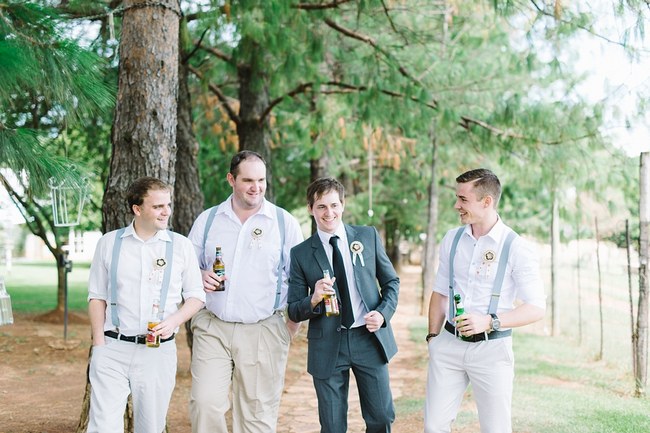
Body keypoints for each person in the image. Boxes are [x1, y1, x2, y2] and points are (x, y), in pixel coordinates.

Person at [187, 150, 304, 433]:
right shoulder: (208, 220)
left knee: (256, 416)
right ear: (231, 179)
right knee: (205, 404)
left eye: (261, 180)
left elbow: (299, 277)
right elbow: (185, 266)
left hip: (264, 328)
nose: (257, 187)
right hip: (213, 326)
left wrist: (291, 323)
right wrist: (198, 275)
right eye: (248, 180)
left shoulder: (283, 222)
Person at [424, 168, 546, 433]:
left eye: (463, 199)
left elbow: (536, 307)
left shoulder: (516, 247)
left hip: (492, 351)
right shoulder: (451, 239)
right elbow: (440, 292)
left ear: (486, 201)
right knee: (434, 427)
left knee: (496, 429)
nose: (457, 205)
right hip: (448, 347)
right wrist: (433, 338)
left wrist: (491, 321)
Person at [87, 177, 206, 433]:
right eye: (158, 206)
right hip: (113, 348)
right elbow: (97, 295)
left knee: (150, 427)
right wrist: (99, 344)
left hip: (157, 352)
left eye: (168, 205)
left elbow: (197, 296)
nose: (166, 212)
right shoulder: (109, 243)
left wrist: (173, 321)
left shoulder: (181, 246)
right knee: (102, 426)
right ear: (137, 209)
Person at [287, 177, 400, 433]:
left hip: (368, 338)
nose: (329, 213)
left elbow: (391, 282)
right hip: (327, 344)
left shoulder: (366, 236)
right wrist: (313, 299)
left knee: (381, 416)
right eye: (322, 207)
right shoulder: (301, 253)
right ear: (310, 209)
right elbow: (293, 308)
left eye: (334, 205)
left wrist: (382, 315)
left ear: (343, 204)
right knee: (333, 425)